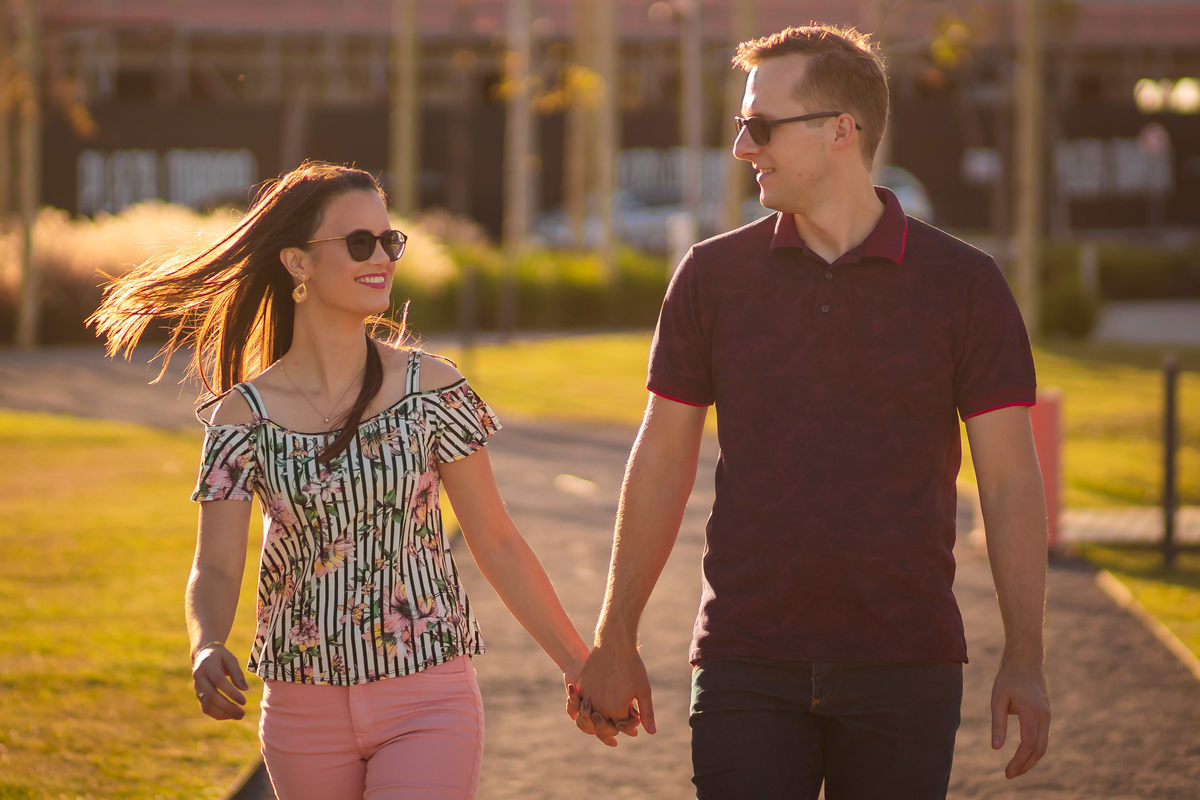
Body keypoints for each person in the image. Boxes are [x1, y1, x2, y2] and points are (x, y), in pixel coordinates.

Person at [566, 23, 1051, 799]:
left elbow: (1010, 482)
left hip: (906, 664)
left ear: (840, 131)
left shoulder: (964, 285)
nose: (742, 148)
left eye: (759, 127)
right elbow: (661, 456)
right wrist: (614, 634)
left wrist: (1025, 655)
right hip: (744, 659)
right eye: (739, 127)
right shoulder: (712, 277)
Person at [89, 160, 590, 800]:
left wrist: (580, 664)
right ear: (298, 263)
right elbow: (214, 567)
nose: (381, 256)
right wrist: (206, 643)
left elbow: (496, 542)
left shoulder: (433, 389)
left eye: (389, 241)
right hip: (303, 710)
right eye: (359, 243)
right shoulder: (243, 416)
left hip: (427, 696)